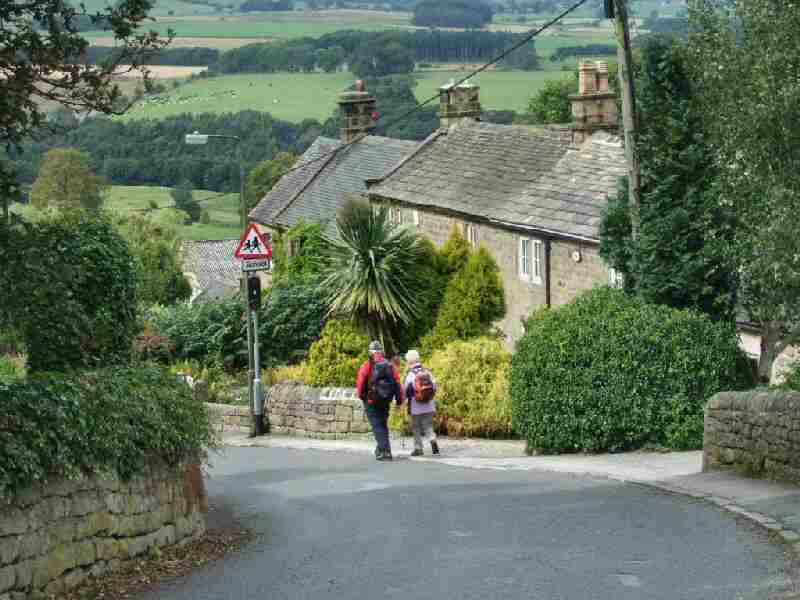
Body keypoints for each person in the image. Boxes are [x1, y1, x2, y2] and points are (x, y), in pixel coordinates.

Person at [356, 341, 402, 461]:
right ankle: (381, 450)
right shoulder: (390, 365)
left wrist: (362, 396)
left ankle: (385, 452)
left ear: (370, 352)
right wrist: (399, 401)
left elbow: (360, 383)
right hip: (386, 400)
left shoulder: (367, 365)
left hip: (371, 400)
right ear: (381, 352)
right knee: (382, 424)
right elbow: (397, 384)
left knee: (377, 426)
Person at [403, 349, 439, 457]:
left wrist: (402, 402)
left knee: (416, 427)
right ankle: (433, 440)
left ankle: (418, 448)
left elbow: (406, 391)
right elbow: (435, 386)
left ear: (409, 361)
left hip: (416, 406)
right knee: (428, 425)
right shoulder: (427, 372)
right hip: (429, 404)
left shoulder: (410, 374)